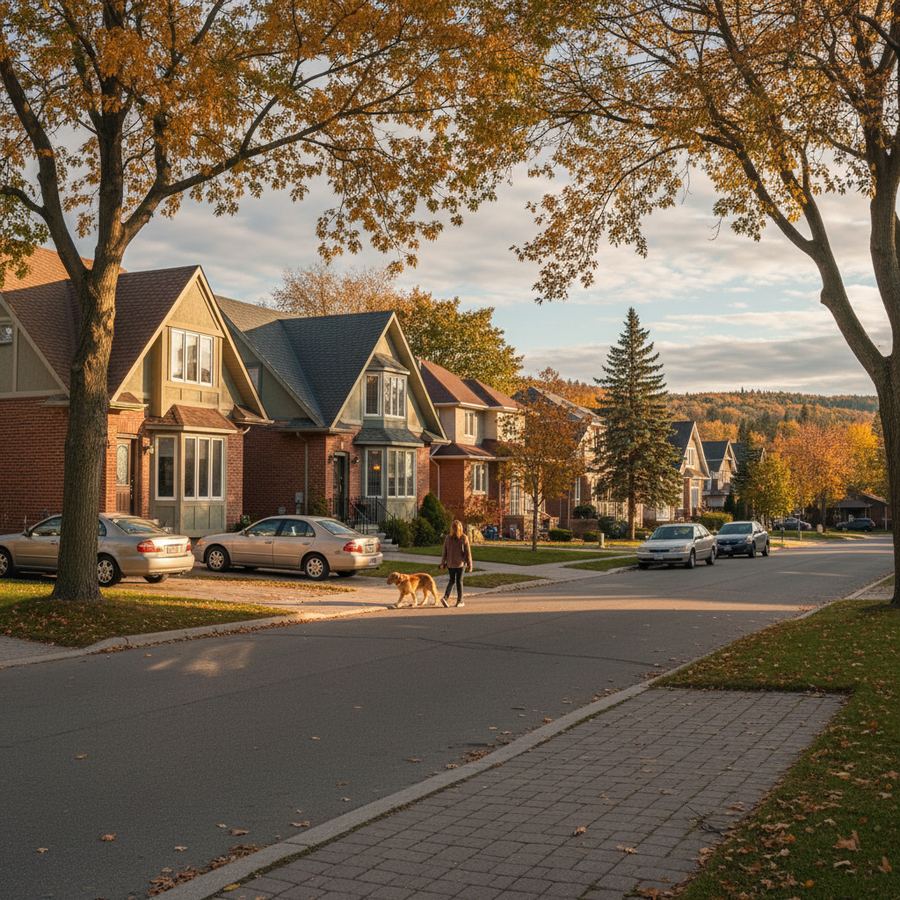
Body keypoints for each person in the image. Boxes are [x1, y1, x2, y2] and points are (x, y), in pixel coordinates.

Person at [439, 519, 473, 608]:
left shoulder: (447, 538)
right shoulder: (464, 537)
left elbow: (444, 552)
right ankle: (460, 601)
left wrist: (443, 563)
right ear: (460, 528)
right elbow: (467, 553)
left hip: (450, 564)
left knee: (452, 580)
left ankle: (445, 598)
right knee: (459, 581)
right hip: (460, 564)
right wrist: (470, 565)